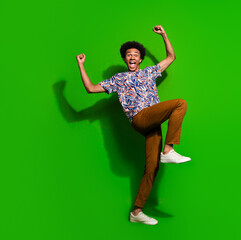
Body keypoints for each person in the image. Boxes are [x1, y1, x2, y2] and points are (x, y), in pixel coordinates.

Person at [75, 25, 190, 225]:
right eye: (128, 55)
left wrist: (164, 35)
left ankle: (136, 212)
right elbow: (91, 88)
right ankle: (169, 150)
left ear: (140, 59)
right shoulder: (119, 79)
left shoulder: (148, 73)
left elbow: (171, 57)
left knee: (152, 168)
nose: (132, 57)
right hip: (139, 118)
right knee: (180, 103)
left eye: (135, 55)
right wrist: (81, 65)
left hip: (152, 123)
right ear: (124, 58)